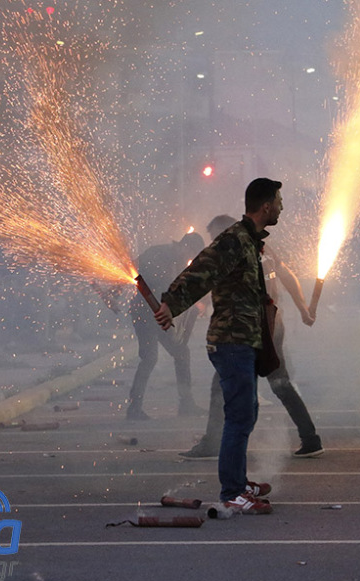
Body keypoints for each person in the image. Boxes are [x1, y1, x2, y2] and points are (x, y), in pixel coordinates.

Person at [154, 177, 284, 515]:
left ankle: (239, 482)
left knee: (247, 412)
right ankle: (232, 492)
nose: (282, 207)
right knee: (239, 416)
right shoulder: (234, 241)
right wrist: (171, 304)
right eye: (279, 201)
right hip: (231, 342)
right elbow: (201, 270)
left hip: (243, 340)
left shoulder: (249, 241)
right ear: (266, 205)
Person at [179, 214, 324, 460]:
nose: (213, 241)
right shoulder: (262, 247)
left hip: (249, 329)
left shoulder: (233, 254)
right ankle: (310, 438)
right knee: (280, 382)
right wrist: (303, 310)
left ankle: (212, 443)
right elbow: (287, 276)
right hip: (272, 324)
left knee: (221, 384)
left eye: (215, 235)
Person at [126, 232, 206, 420]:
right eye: (190, 254)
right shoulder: (158, 254)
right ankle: (134, 408)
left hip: (160, 315)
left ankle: (186, 404)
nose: (189, 259)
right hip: (145, 314)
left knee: (181, 353)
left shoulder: (178, 261)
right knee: (149, 358)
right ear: (185, 246)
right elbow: (137, 272)